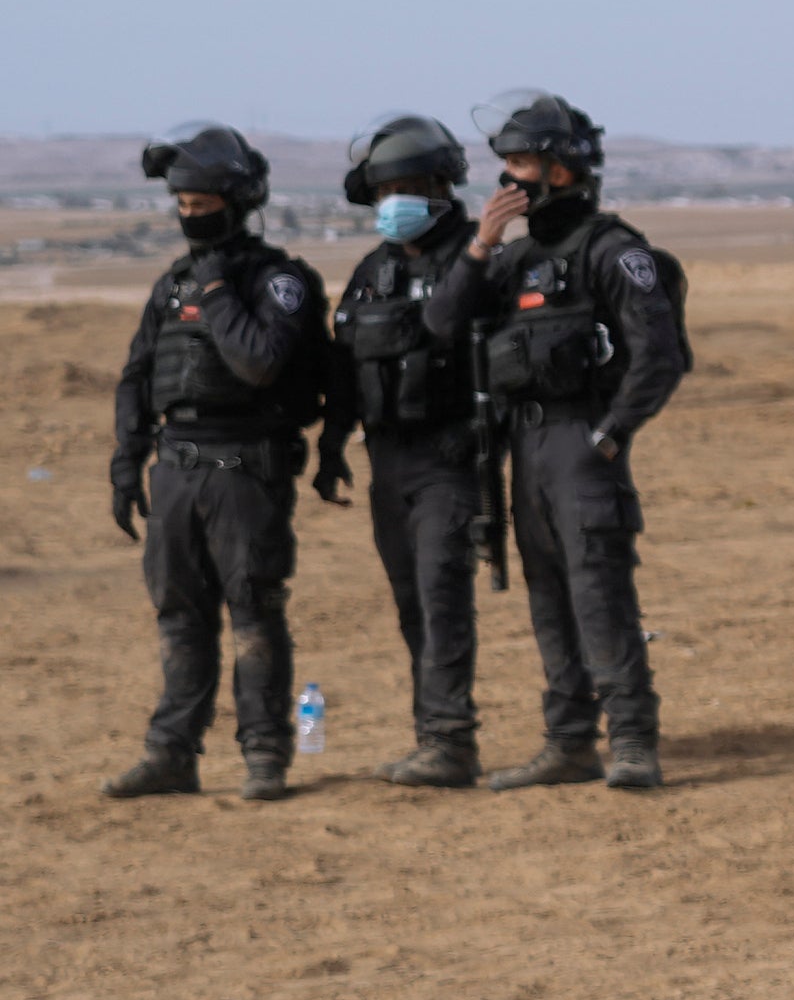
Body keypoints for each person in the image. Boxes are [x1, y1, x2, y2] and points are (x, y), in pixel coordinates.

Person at [447, 92, 692, 792]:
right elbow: (442, 323)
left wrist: (610, 438)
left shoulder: (613, 251)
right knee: (547, 597)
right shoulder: (514, 259)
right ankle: (569, 743)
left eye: (521, 163)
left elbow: (659, 358)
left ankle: (635, 743)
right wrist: (481, 245)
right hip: (523, 453)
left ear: (559, 170)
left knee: (599, 596)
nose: (509, 179)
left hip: (581, 446)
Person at [101, 124, 334, 803]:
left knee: (254, 612)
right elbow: (136, 378)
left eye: (203, 204)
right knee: (178, 614)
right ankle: (171, 753)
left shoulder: (278, 281)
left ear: (238, 201)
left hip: (245, 470)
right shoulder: (172, 286)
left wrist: (219, 288)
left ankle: (265, 755)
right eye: (182, 203)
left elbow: (258, 362)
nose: (190, 216)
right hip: (174, 469)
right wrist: (126, 463)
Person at [327, 113, 491, 788]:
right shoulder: (373, 272)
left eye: (406, 185)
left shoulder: (478, 262)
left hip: (449, 458)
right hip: (385, 460)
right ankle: (432, 734)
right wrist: (333, 445)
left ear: (442, 183)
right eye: (383, 189)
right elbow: (344, 367)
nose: (393, 201)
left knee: (441, 593)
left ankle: (451, 741)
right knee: (408, 601)